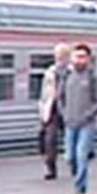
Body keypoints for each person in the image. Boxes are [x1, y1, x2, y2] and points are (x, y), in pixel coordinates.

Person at [57, 43, 97, 194]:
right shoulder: (67, 76)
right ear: (72, 58)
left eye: (83, 57)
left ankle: (79, 188)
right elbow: (60, 97)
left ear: (88, 58)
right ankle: (77, 177)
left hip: (86, 124)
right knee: (70, 157)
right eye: (77, 56)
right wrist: (64, 114)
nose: (79, 60)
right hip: (70, 123)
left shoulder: (93, 77)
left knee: (81, 156)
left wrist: (88, 115)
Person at [38, 43, 70, 179]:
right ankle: (50, 168)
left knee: (72, 138)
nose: (60, 58)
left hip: (69, 109)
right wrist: (42, 109)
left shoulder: (73, 72)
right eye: (58, 55)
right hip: (53, 108)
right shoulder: (49, 72)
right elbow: (44, 92)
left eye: (63, 55)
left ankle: (75, 163)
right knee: (50, 139)